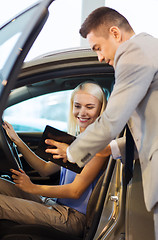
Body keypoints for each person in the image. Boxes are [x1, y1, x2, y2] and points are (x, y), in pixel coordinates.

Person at [45, 7, 158, 240]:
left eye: (98, 48)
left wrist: (72, 152)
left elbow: (111, 120)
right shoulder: (148, 49)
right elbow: (148, 133)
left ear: (115, 33)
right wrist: (111, 148)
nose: (99, 57)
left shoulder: (133, 50)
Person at [0, 82, 110, 237]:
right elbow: (45, 169)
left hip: (72, 218)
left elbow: (75, 191)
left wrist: (32, 187)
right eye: (77, 106)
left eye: (89, 107)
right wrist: (17, 141)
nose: (82, 112)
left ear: (100, 109)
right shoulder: (76, 140)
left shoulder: (98, 146)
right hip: (56, 205)